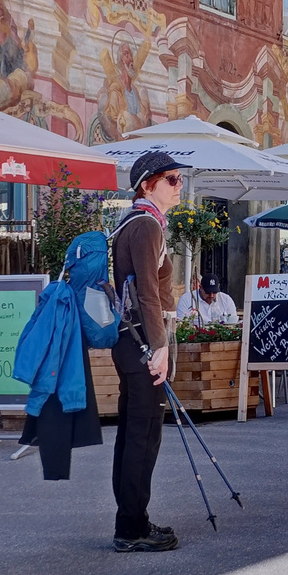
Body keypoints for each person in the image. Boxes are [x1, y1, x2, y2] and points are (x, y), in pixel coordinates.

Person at [111, 151, 184, 552]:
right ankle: (132, 529)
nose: (178, 186)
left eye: (179, 179)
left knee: (134, 433)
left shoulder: (139, 222)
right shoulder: (145, 226)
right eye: (171, 179)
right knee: (143, 435)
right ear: (147, 185)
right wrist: (160, 348)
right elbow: (147, 293)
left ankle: (131, 520)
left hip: (131, 340)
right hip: (141, 341)